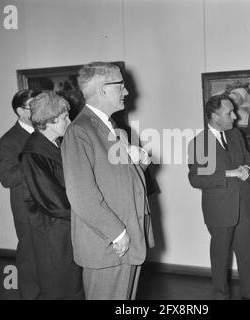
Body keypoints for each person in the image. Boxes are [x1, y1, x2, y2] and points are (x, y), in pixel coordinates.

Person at [61, 61, 154, 300]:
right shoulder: (79, 131)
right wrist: (117, 233)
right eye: (120, 86)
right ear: (102, 90)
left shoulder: (110, 127)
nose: (126, 91)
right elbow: (81, 194)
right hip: (109, 244)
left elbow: (120, 178)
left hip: (127, 238)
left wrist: (140, 158)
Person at [187, 94, 250, 300]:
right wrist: (229, 173)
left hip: (244, 207)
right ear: (214, 116)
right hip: (219, 211)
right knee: (220, 258)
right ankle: (220, 296)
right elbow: (195, 179)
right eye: (229, 113)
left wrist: (246, 168)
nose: (235, 116)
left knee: (249, 257)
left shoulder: (236, 135)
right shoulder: (199, 143)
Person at [19, 91, 84, 300]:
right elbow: (54, 202)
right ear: (50, 121)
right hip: (53, 236)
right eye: (65, 116)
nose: (69, 120)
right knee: (59, 290)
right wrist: (89, 215)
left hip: (65, 231)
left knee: (73, 288)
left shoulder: (54, 145)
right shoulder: (34, 153)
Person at [0, 90, 39, 299]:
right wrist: (33, 162)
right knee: (30, 257)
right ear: (20, 111)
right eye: (34, 106)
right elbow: (6, 178)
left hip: (52, 207)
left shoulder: (46, 132)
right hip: (27, 208)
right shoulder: (8, 140)